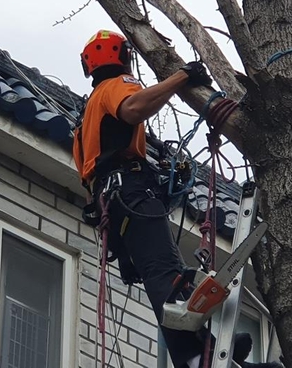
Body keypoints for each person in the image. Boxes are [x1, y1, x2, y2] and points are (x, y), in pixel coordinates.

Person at [73, 29, 225, 367]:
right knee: (164, 270)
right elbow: (134, 108)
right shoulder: (116, 86)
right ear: (122, 56)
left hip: (111, 204)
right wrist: (183, 77)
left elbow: (90, 175)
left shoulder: (87, 118)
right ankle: (197, 354)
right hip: (130, 191)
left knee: (158, 271)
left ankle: (203, 349)